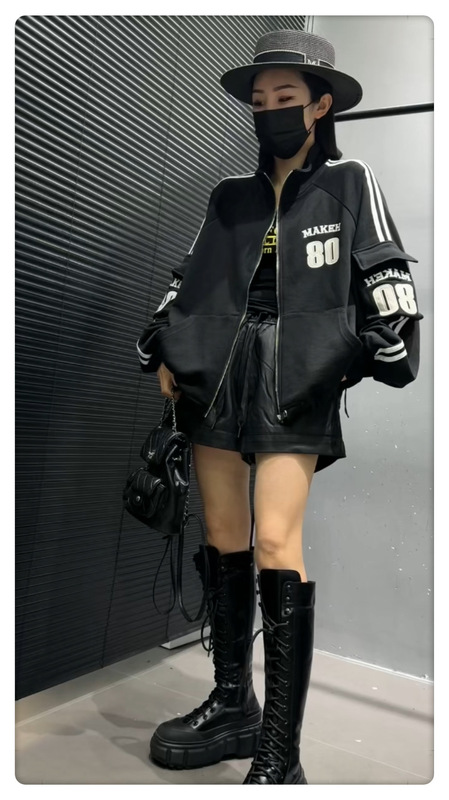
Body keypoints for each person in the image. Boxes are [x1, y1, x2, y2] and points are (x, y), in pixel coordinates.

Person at [136, 29, 423, 785]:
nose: (270, 111)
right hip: (216, 373)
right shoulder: (228, 196)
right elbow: (187, 279)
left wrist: (346, 355)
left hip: (292, 375)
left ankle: (279, 752)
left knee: (273, 540)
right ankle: (234, 703)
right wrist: (166, 347)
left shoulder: (349, 181)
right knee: (223, 534)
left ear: (320, 105)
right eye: (260, 100)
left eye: (285, 98)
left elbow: (387, 281)